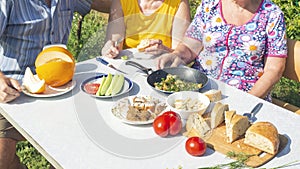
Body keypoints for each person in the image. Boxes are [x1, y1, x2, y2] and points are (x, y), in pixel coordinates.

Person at [0, 0, 111, 168]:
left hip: (61, 89)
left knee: (85, 149)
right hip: (14, 91)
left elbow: (114, 4)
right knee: (2, 156)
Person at [157, 0, 287, 100]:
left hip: (245, 92)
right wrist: (176, 55)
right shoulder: (209, 5)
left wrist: (248, 99)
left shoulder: (271, 14)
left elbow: (274, 70)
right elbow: (190, 47)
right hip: (200, 87)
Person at [101, 0, 191, 58]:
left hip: (162, 69)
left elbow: (181, 53)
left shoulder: (179, 3)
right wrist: (110, 48)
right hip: (128, 68)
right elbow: (114, 41)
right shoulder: (121, 2)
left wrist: (165, 50)